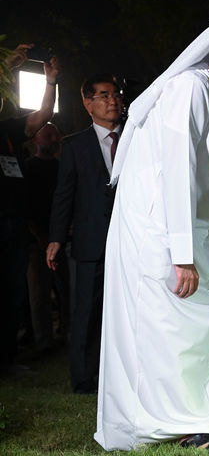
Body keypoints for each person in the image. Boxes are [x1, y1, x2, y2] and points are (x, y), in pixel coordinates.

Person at [94, 11, 209, 452]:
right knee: (169, 327)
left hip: (198, 232)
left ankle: (204, 414)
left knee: (207, 321)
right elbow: (176, 172)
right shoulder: (188, 90)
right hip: (158, 233)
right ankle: (177, 423)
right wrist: (181, 255)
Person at [47, 74, 122, 394]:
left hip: (129, 242)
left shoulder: (136, 138)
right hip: (90, 243)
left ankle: (118, 374)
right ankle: (83, 378)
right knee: (87, 311)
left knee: (122, 311)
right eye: (104, 95)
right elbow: (64, 195)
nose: (113, 101)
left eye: (116, 95)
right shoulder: (74, 145)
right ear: (87, 103)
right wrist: (56, 237)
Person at [0, 44, 59, 376]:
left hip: (14, 224)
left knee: (13, 292)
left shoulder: (8, 129)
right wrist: (7, 66)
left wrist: (49, 81)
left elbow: (44, 116)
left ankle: (8, 360)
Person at [25, 122, 70, 351]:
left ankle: (68, 333)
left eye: (55, 134)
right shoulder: (28, 169)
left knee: (67, 290)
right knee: (39, 293)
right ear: (34, 140)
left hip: (62, 238)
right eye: (47, 134)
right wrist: (36, 233)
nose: (53, 138)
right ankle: (44, 341)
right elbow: (24, 205)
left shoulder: (62, 167)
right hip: (37, 239)